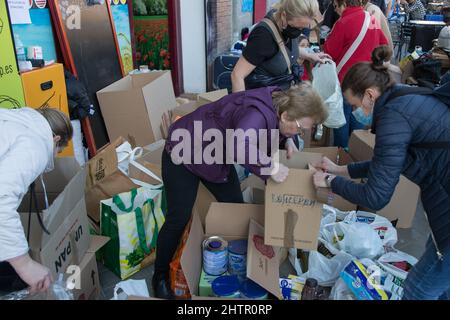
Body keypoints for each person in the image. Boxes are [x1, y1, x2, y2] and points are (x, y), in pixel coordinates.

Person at [152, 84, 328, 299]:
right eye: (300, 128)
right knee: (178, 218)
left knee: (235, 206)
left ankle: (246, 267)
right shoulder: (256, 112)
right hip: (183, 152)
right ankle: (159, 277)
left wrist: (288, 138)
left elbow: (269, 130)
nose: (301, 133)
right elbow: (239, 145)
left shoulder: (279, 102)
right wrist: (271, 167)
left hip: (214, 157)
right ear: (286, 115)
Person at [313, 46, 450, 300]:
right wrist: (338, 169)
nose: (358, 113)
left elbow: (376, 196)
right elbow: (386, 162)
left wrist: (331, 182)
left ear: (369, 95)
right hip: (443, 207)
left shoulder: (393, 116)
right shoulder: (403, 98)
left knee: (418, 289)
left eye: (355, 105)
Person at [0, 107, 73, 294]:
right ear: (55, 139)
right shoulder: (36, 144)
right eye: (59, 150)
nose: (54, 157)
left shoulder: (16, 122)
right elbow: (2, 197)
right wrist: (24, 264)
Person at [323, 0, 388, 148]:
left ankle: (341, 153)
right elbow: (382, 45)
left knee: (342, 120)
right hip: (367, 78)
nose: (336, 10)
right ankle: (354, 151)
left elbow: (329, 52)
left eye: (336, 6)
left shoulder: (343, 22)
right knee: (359, 117)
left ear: (344, 3)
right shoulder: (371, 19)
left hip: (346, 79)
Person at [231, 0, 331, 93]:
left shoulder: (287, 25)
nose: (299, 32)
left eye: (304, 27)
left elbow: (285, 50)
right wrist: (242, 108)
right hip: (261, 100)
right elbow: (237, 75)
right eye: (298, 27)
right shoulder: (263, 36)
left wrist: (310, 55)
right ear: (283, 15)